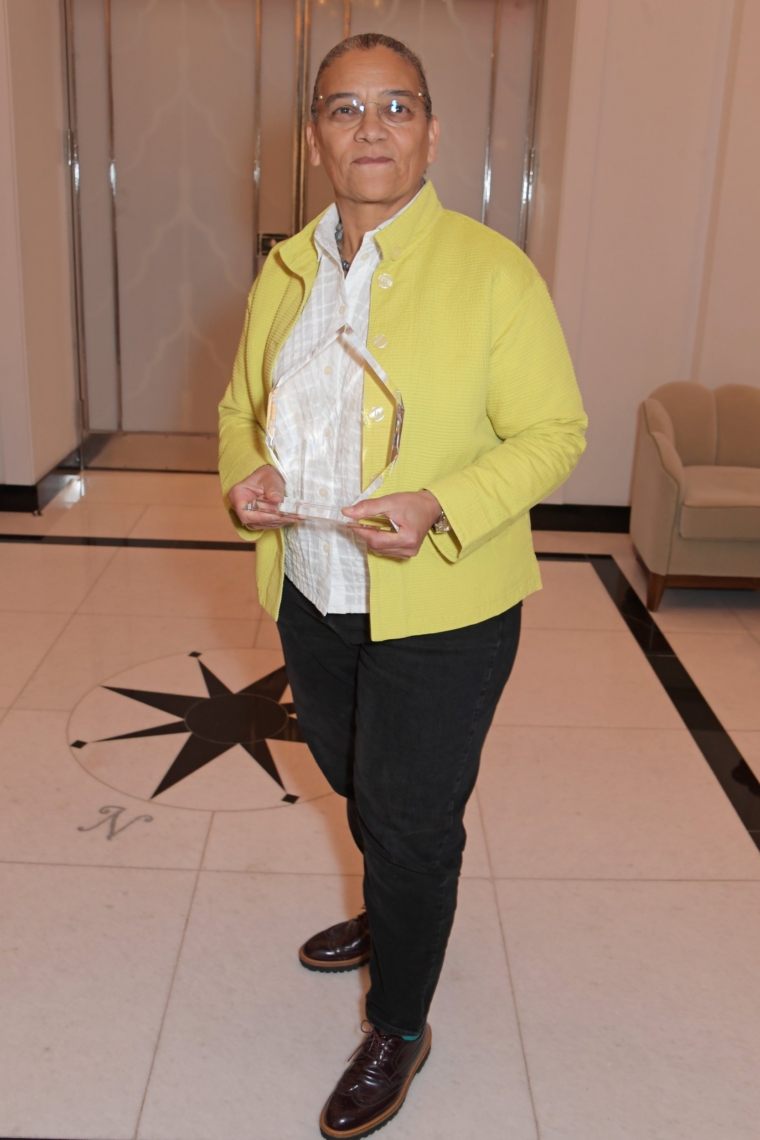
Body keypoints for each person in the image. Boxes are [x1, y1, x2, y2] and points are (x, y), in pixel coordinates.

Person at [219, 32, 587, 1140]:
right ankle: (398, 909)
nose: (369, 127)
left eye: (395, 106)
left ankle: (403, 1021)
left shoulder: (491, 271)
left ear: (429, 131)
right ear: (315, 138)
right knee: (349, 774)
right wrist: (249, 472)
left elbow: (554, 432)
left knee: (411, 816)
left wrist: (441, 504)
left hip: (447, 604)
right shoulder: (284, 272)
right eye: (343, 108)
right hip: (314, 587)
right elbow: (240, 410)